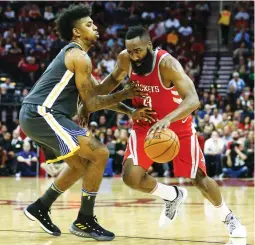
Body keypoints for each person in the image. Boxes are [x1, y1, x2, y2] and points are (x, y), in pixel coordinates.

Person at [83, 26, 246, 237]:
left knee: (199, 178)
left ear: (149, 46)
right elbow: (106, 88)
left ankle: (228, 217)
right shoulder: (125, 60)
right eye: (130, 51)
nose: (134, 56)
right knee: (130, 177)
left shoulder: (167, 64)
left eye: (138, 51)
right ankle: (171, 195)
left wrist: (168, 119)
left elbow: (193, 99)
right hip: (145, 124)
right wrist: (89, 97)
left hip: (177, 125)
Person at [19, 4, 150, 241]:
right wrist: (124, 93)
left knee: (80, 165)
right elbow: (92, 103)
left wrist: (128, 109)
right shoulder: (79, 57)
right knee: (100, 153)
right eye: (89, 24)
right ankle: (85, 220)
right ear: (76, 32)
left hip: (39, 115)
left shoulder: (76, 56)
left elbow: (96, 93)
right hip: (42, 113)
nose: (95, 27)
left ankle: (40, 206)